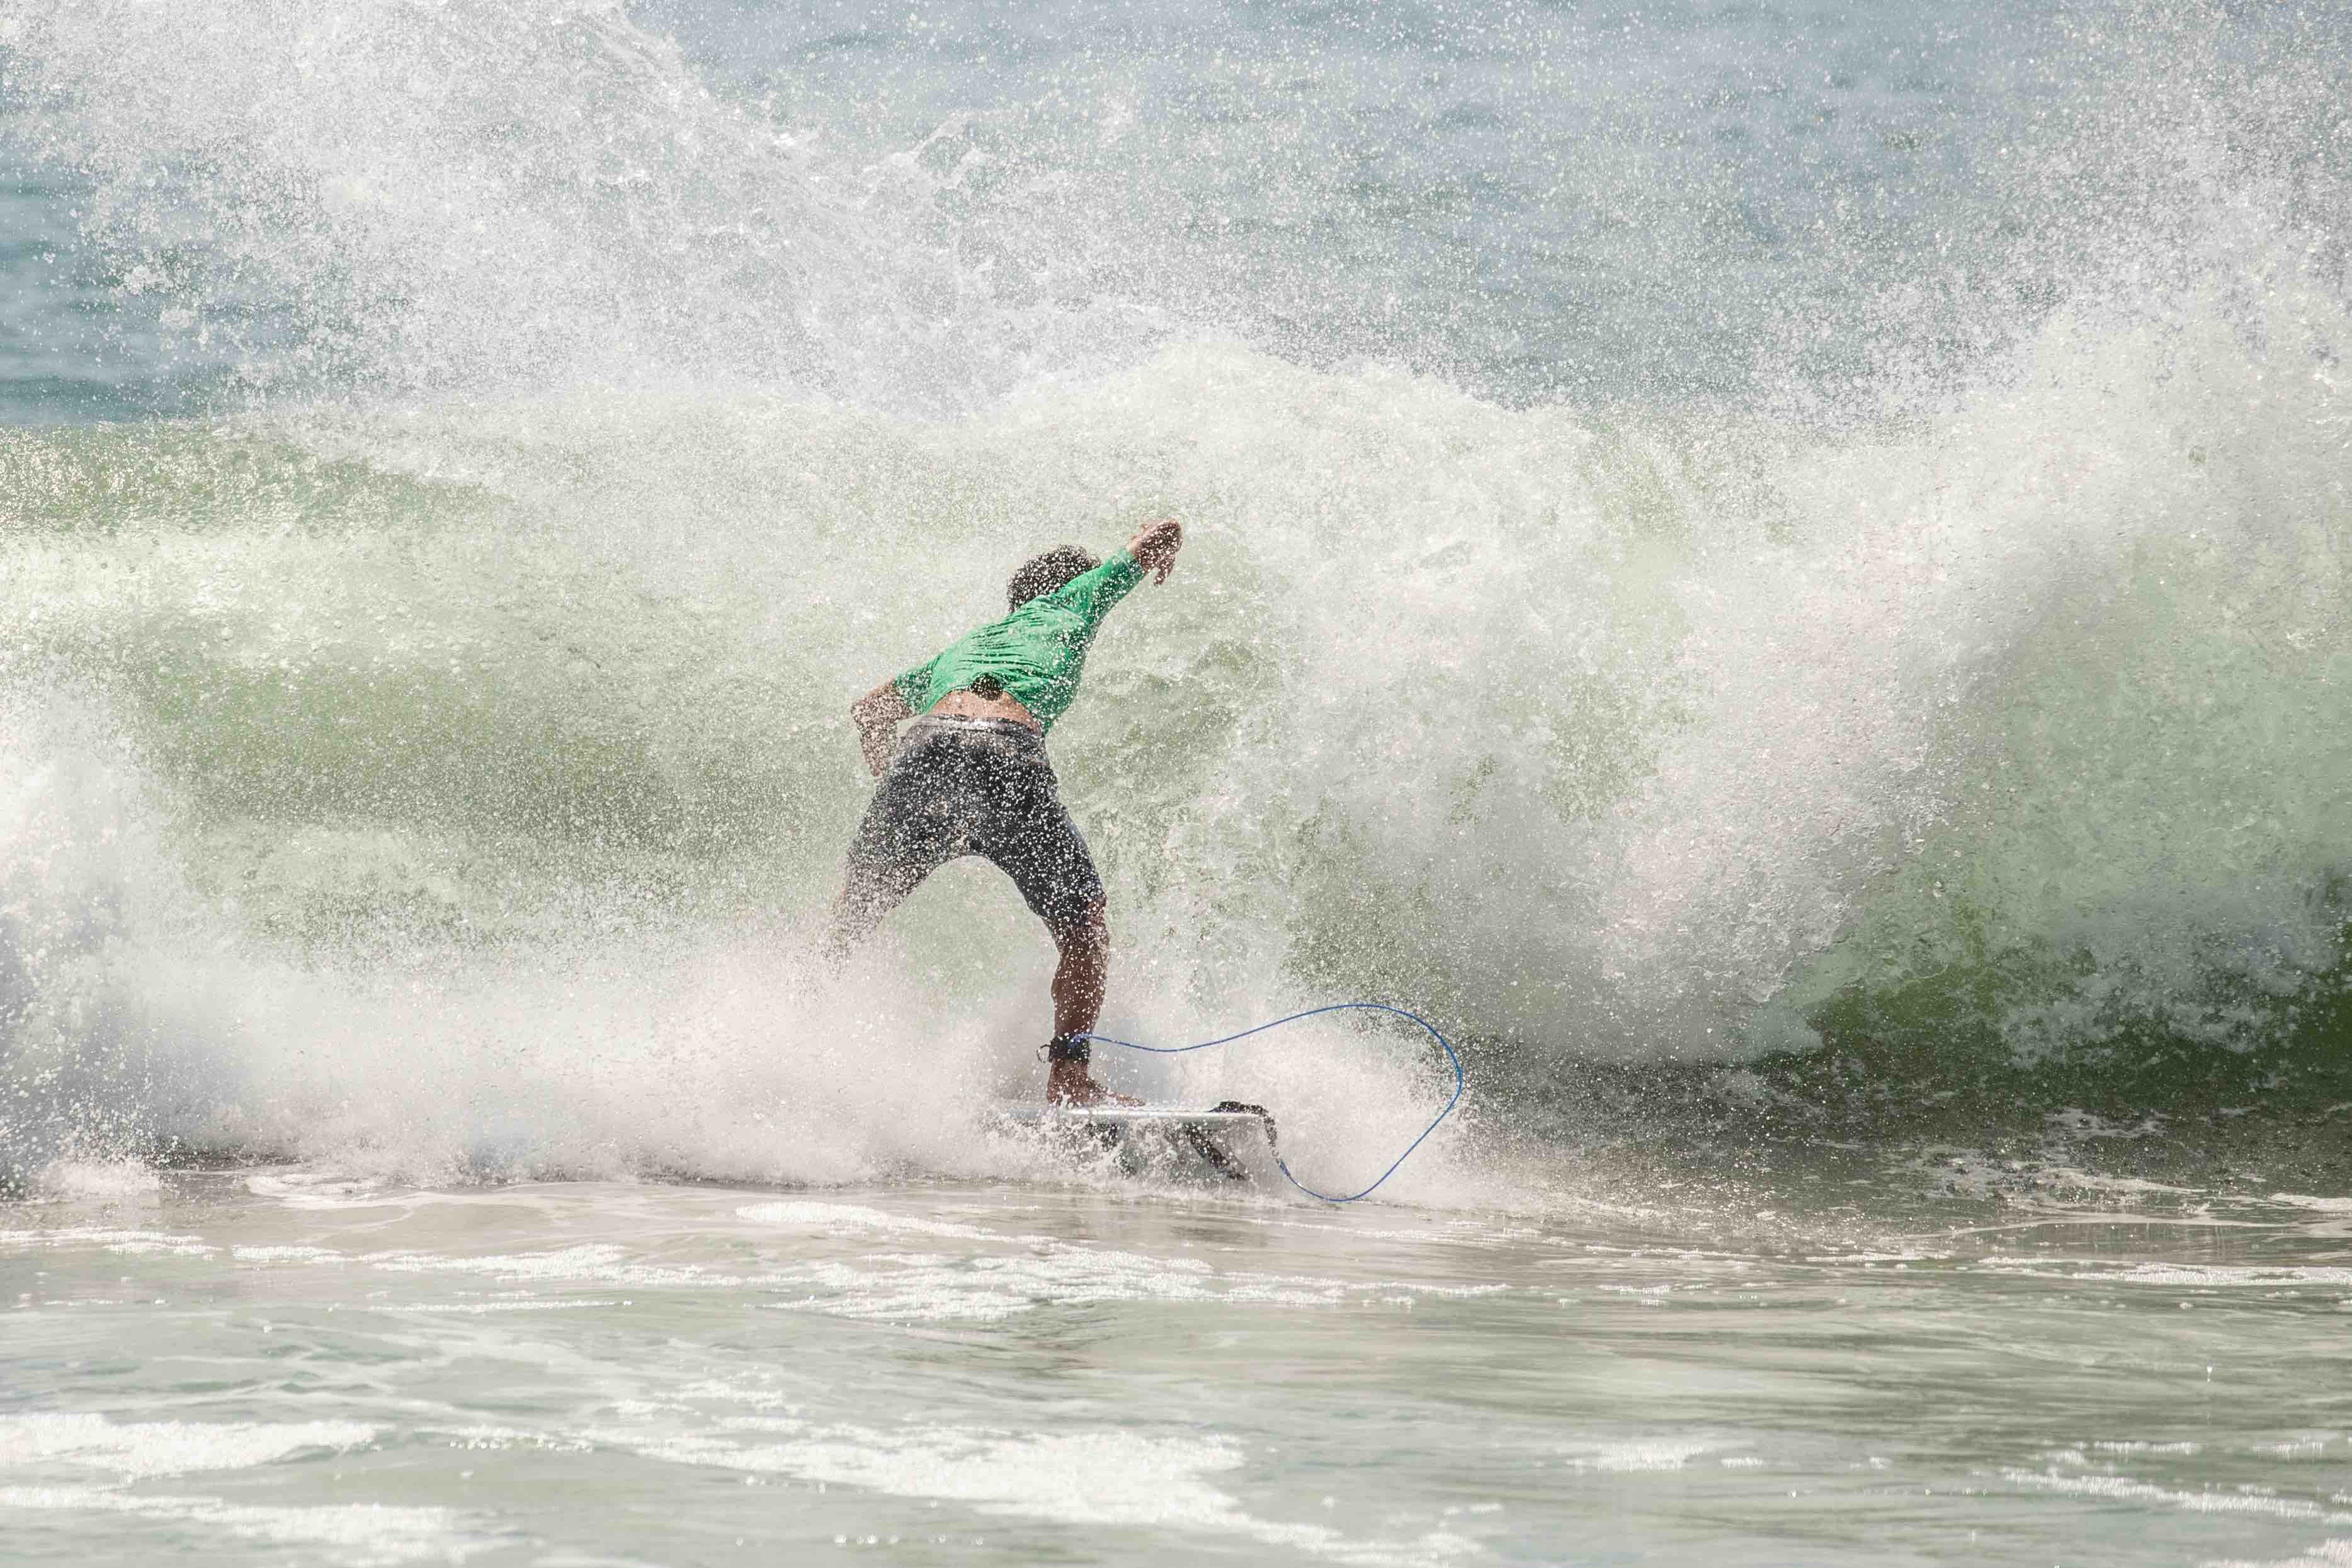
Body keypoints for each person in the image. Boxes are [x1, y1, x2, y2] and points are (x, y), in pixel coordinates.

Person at [829, 517, 1185, 1105]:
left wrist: (894, 780)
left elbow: (869, 711)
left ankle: (788, 1025)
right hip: (1003, 755)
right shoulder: (1069, 602)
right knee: (1083, 929)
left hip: (922, 755)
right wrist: (1165, 551)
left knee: (852, 915)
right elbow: (1162, 530)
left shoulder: (966, 647)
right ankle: (1069, 1079)